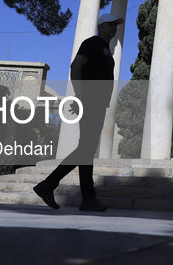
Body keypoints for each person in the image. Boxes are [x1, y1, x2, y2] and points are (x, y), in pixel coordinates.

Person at [33, 13, 120, 212]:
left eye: (115, 25)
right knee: (86, 148)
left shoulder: (106, 49)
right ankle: (49, 184)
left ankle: (87, 198)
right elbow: (76, 65)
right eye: (110, 24)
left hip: (97, 103)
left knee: (86, 149)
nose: (113, 28)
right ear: (100, 26)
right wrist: (80, 95)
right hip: (89, 101)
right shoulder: (92, 43)